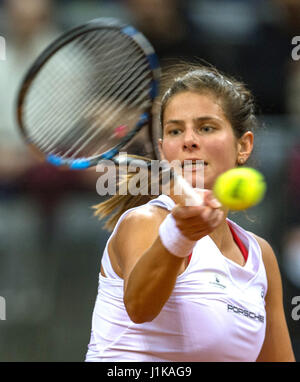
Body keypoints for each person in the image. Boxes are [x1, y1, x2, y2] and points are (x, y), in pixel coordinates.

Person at [85, 64, 295, 362]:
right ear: (163, 150)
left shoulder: (261, 257)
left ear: (243, 146)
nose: (188, 140)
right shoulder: (145, 222)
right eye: (175, 131)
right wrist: (179, 236)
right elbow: (139, 307)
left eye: (206, 127)